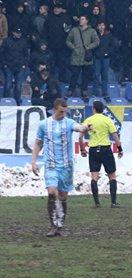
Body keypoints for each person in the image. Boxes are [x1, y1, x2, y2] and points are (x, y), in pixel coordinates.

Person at [30, 98, 91, 237]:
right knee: (52, 192)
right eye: (61, 111)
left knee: (63, 196)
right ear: (55, 109)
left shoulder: (68, 122)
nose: (63, 113)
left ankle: (60, 226)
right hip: (51, 164)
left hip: (66, 166)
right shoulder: (44, 124)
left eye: (65, 111)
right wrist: (33, 161)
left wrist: (85, 127)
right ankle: (53, 226)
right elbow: (38, 143)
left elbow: (78, 127)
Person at [79, 100, 123, 208]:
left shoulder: (88, 120)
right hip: (105, 150)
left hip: (93, 150)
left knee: (94, 177)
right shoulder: (107, 120)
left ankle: (97, 203)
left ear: (93, 109)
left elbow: (80, 136)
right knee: (112, 176)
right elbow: (115, 136)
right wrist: (120, 149)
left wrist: (82, 150)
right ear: (103, 109)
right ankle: (113, 202)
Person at [65, 15, 99, 97]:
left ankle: (84, 90)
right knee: (74, 75)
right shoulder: (74, 30)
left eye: (82, 19)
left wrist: (89, 47)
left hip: (86, 57)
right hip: (76, 57)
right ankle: (71, 90)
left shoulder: (92, 31)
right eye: (80, 19)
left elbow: (97, 41)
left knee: (85, 76)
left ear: (87, 21)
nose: (80, 20)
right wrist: (74, 48)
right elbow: (68, 41)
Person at [2, 26, 30, 101]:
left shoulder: (24, 41)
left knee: (18, 86)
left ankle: (17, 102)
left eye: (20, 33)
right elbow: (2, 53)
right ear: (13, 33)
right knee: (8, 85)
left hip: (20, 66)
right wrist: (4, 64)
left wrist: (24, 64)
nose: (19, 34)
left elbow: (26, 55)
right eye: (17, 33)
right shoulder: (6, 41)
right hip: (8, 66)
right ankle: (5, 102)